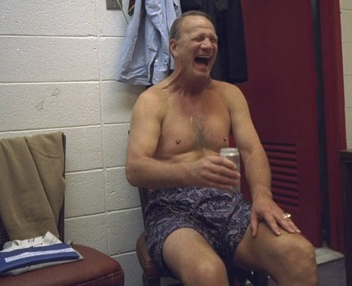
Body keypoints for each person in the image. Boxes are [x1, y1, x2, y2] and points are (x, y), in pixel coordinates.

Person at [126, 10, 318, 286]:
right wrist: (190, 171)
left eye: (213, 39)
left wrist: (263, 195)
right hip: (171, 212)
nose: (208, 45)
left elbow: (251, 150)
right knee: (208, 272)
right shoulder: (152, 101)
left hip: (227, 206)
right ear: (174, 47)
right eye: (198, 38)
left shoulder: (229, 95)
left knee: (298, 253)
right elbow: (135, 170)